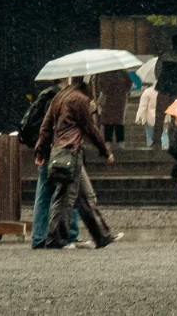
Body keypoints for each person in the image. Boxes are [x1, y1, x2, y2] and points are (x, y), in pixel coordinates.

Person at [37, 74, 118, 250]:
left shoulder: (60, 96)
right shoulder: (79, 100)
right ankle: (56, 238)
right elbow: (90, 128)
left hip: (61, 150)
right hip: (71, 153)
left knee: (85, 196)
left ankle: (102, 235)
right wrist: (105, 151)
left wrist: (41, 150)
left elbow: (46, 125)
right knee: (66, 198)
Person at [17, 88, 55, 247]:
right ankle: (62, 235)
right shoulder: (57, 100)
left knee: (43, 196)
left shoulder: (44, 99)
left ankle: (39, 236)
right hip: (56, 151)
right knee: (64, 194)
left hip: (44, 151)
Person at [153, 34, 177, 151]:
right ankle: (174, 141)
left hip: (164, 90)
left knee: (159, 118)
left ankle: (157, 142)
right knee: (176, 119)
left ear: (172, 43)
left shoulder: (164, 56)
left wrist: (165, 81)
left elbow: (157, 72)